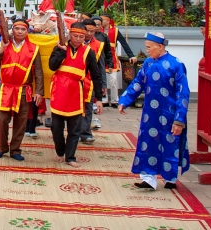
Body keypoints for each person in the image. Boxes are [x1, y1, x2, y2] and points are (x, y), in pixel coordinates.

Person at [118, 31, 190, 189]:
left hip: (170, 113)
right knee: (147, 143)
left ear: (160, 46)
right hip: (150, 114)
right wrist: (124, 100)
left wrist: (179, 119)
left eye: (150, 47)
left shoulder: (176, 64)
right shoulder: (148, 64)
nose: (148, 50)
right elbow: (138, 83)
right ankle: (148, 178)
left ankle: (170, 178)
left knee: (170, 143)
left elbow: (183, 93)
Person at [48, 21, 104, 168]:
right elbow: (52, 66)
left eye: (81, 36)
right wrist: (60, 52)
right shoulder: (60, 47)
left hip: (76, 92)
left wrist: (98, 98)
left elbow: (96, 74)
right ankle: (60, 151)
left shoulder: (88, 52)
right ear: (69, 34)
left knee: (74, 128)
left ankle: (70, 156)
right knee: (56, 126)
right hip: (59, 90)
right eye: (75, 36)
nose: (78, 39)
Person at [0, 17, 44, 160]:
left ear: (28, 32)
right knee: (1, 121)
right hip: (5, 88)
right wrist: (1, 50)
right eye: (17, 29)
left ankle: (15, 150)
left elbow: (38, 71)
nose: (20, 32)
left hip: (23, 90)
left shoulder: (34, 48)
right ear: (12, 30)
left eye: (23, 29)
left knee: (21, 122)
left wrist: (39, 91)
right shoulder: (4, 44)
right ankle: (2, 147)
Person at [80, 18, 108, 139]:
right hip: (75, 79)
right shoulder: (75, 42)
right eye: (87, 31)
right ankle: (75, 131)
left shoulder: (98, 45)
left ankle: (85, 132)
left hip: (90, 80)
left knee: (88, 107)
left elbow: (101, 66)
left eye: (92, 31)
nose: (89, 34)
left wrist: (103, 84)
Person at [99, 13, 135, 106]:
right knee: (102, 79)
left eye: (103, 20)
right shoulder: (98, 30)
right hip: (100, 56)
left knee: (113, 79)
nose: (102, 22)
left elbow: (124, 43)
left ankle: (115, 100)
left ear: (108, 21)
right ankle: (104, 99)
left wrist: (131, 55)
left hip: (112, 57)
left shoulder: (115, 31)